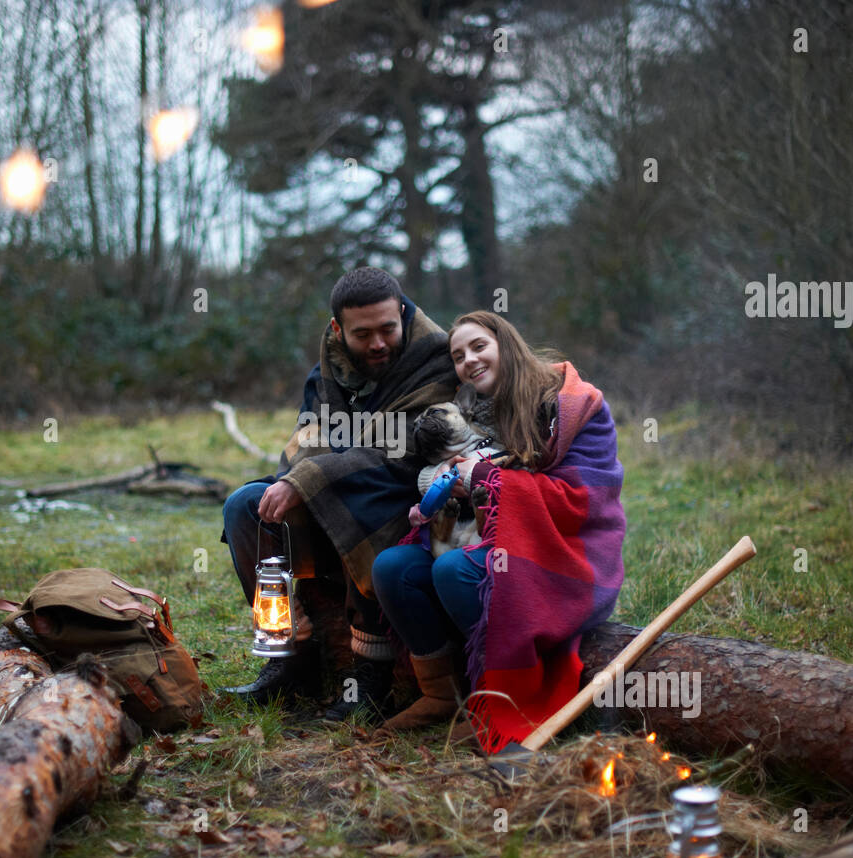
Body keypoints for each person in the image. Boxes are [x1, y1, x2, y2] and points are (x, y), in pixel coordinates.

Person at [370, 310, 626, 751]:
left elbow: (581, 499)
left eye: (478, 346)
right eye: (458, 355)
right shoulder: (467, 413)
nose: (468, 360)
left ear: (505, 343)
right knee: (393, 566)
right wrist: (440, 491)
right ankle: (440, 694)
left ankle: (498, 697)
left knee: (454, 571)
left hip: (562, 553)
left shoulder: (571, 404)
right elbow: (457, 476)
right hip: (487, 539)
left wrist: (483, 478)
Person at [220, 267, 458, 720]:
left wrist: (310, 478)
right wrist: (297, 479)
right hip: (330, 511)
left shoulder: (438, 359)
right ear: (338, 329)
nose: (378, 344)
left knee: (361, 491)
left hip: (401, 512)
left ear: (404, 315)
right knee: (245, 506)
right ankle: (289, 656)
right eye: (362, 333)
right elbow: (309, 437)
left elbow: (404, 449)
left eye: (388, 329)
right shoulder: (329, 367)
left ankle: (369, 677)